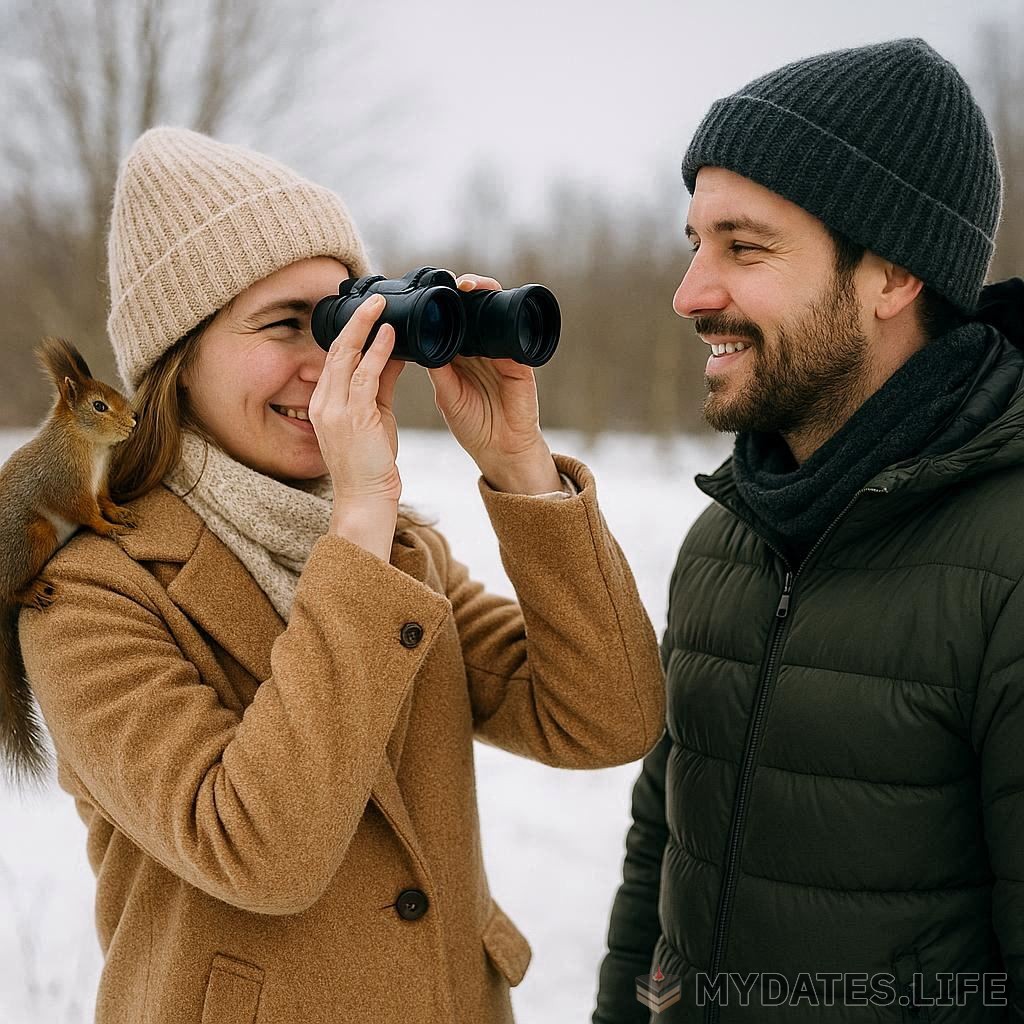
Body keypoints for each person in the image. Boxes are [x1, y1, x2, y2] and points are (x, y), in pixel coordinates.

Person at [14, 126, 666, 1024]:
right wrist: (359, 517)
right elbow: (257, 849)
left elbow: (609, 715)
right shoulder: (88, 593)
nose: (329, 362)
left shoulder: (404, 559)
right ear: (180, 360)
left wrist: (518, 461)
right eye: (288, 325)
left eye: (349, 320)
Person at [593, 37, 1024, 1023]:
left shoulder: (1006, 560)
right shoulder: (728, 534)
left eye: (743, 249)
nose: (690, 291)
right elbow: (656, 867)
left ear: (891, 276)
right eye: (692, 242)